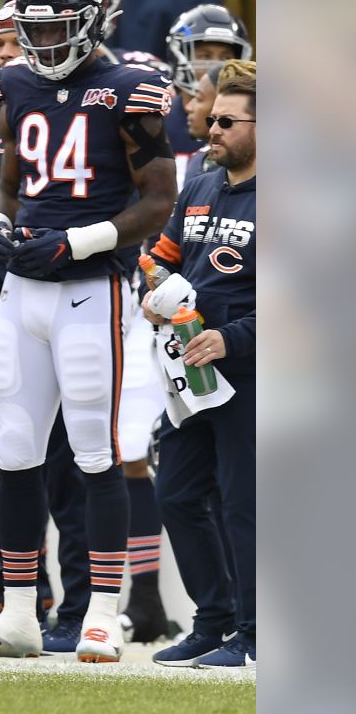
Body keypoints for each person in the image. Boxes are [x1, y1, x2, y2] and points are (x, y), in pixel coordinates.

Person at [0, 0, 177, 662]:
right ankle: (20, 612)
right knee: (14, 451)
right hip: (23, 289)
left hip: (88, 292)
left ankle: (102, 613)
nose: (41, 42)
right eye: (33, 29)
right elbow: (11, 186)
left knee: (95, 451)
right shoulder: (18, 82)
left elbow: (158, 202)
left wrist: (77, 243)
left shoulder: (131, 86)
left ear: (94, 22)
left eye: (55, 28)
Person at [145, 75, 256, 669]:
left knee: (245, 503)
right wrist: (154, 293)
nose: (210, 130)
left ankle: (258, 629)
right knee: (178, 494)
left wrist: (233, 338)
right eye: (211, 119)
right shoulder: (201, 184)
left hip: (255, 370)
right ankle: (212, 621)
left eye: (226, 122)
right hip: (192, 368)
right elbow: (163, 258)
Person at [163, 4, 252, 183]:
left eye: (226, 57)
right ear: (179, 57)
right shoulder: (159, 119)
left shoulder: (251, 121)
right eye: (205, 56)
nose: (216, 66)